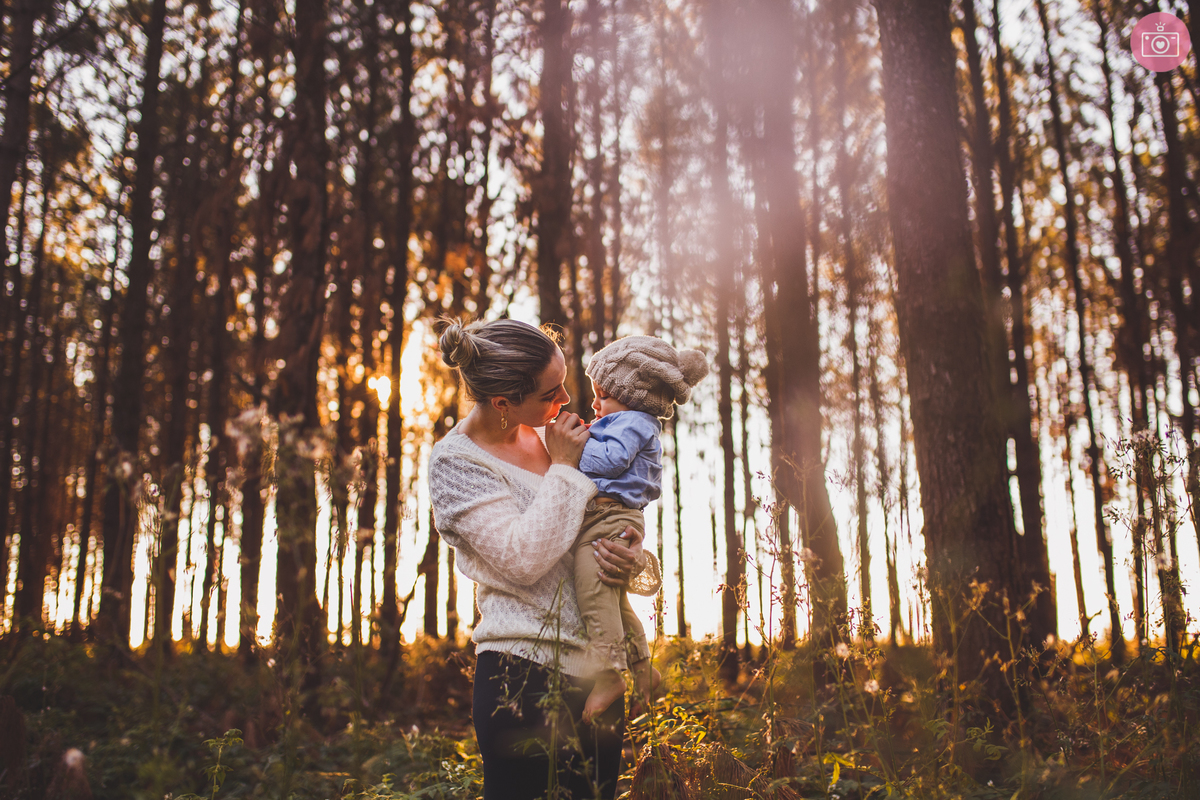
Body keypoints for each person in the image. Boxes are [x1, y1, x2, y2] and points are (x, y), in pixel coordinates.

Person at [428, 318, 648, 800]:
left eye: (564, 382)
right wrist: (565, 469)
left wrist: (630, 557)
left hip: (598, 676)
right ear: (503, 403)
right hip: (520, 675)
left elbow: (597, 531)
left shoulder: (557, 437)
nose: (566, 401)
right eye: (551, 393)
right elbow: (524, 559)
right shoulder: (457, 463)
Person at [572, 336, 708, 722]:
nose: (595, 405)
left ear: (631, 396)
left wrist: (569, 446)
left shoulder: (633, 422)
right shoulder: (625, 420)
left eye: (604, 397)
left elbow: (611, 461)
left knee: (592, 585)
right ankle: (643, 668)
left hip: (611, 517)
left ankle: (610, 673)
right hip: (610, 515)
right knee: (615, 600)